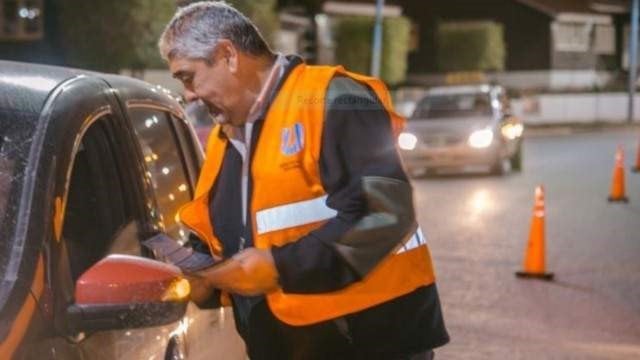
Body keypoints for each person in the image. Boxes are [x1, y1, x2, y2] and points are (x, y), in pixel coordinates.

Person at [158, 2, 449, 359]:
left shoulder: (335, 98)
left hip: (371, 343)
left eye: (188, 76)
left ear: (227, 55)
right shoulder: (226, 139)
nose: (188, 94)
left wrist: (281, 267)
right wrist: (204, 275)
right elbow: (237, 235)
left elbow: (386, 212)